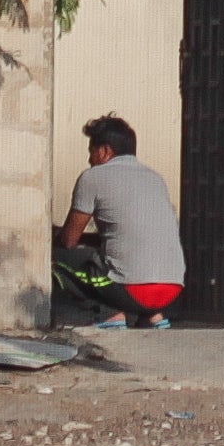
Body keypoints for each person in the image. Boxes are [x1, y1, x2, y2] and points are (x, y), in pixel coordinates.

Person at [54, 113, 187, 329]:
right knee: (123, 261)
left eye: (91, 152)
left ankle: (109, 314)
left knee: (56, 258)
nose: (90, 160)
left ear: (105, 151)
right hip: (172, 289)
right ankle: (153, 317)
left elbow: (69, 240)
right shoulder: (155, 178)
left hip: (132, 290)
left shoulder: (92, 177)